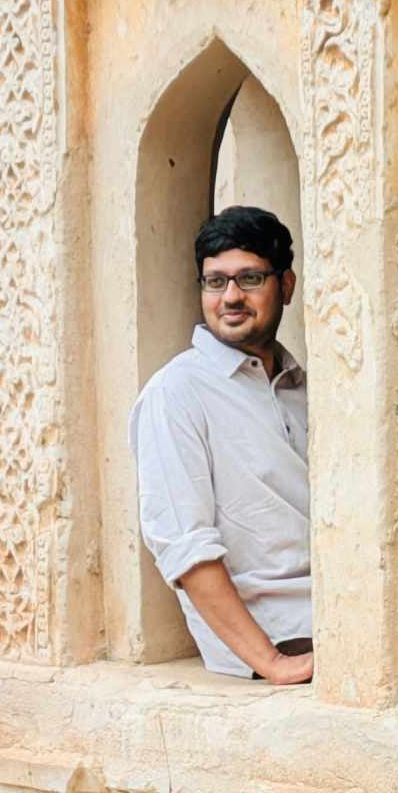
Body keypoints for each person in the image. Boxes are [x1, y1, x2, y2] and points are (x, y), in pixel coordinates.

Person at [129, 205, 312, 684]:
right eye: (215, 282)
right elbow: (184, 546)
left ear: (286, 286)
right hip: (282, 637)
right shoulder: (176, 392)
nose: (230, 297)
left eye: (249, 278)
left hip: (339, 617)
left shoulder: (304, 389)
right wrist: (271, 662)